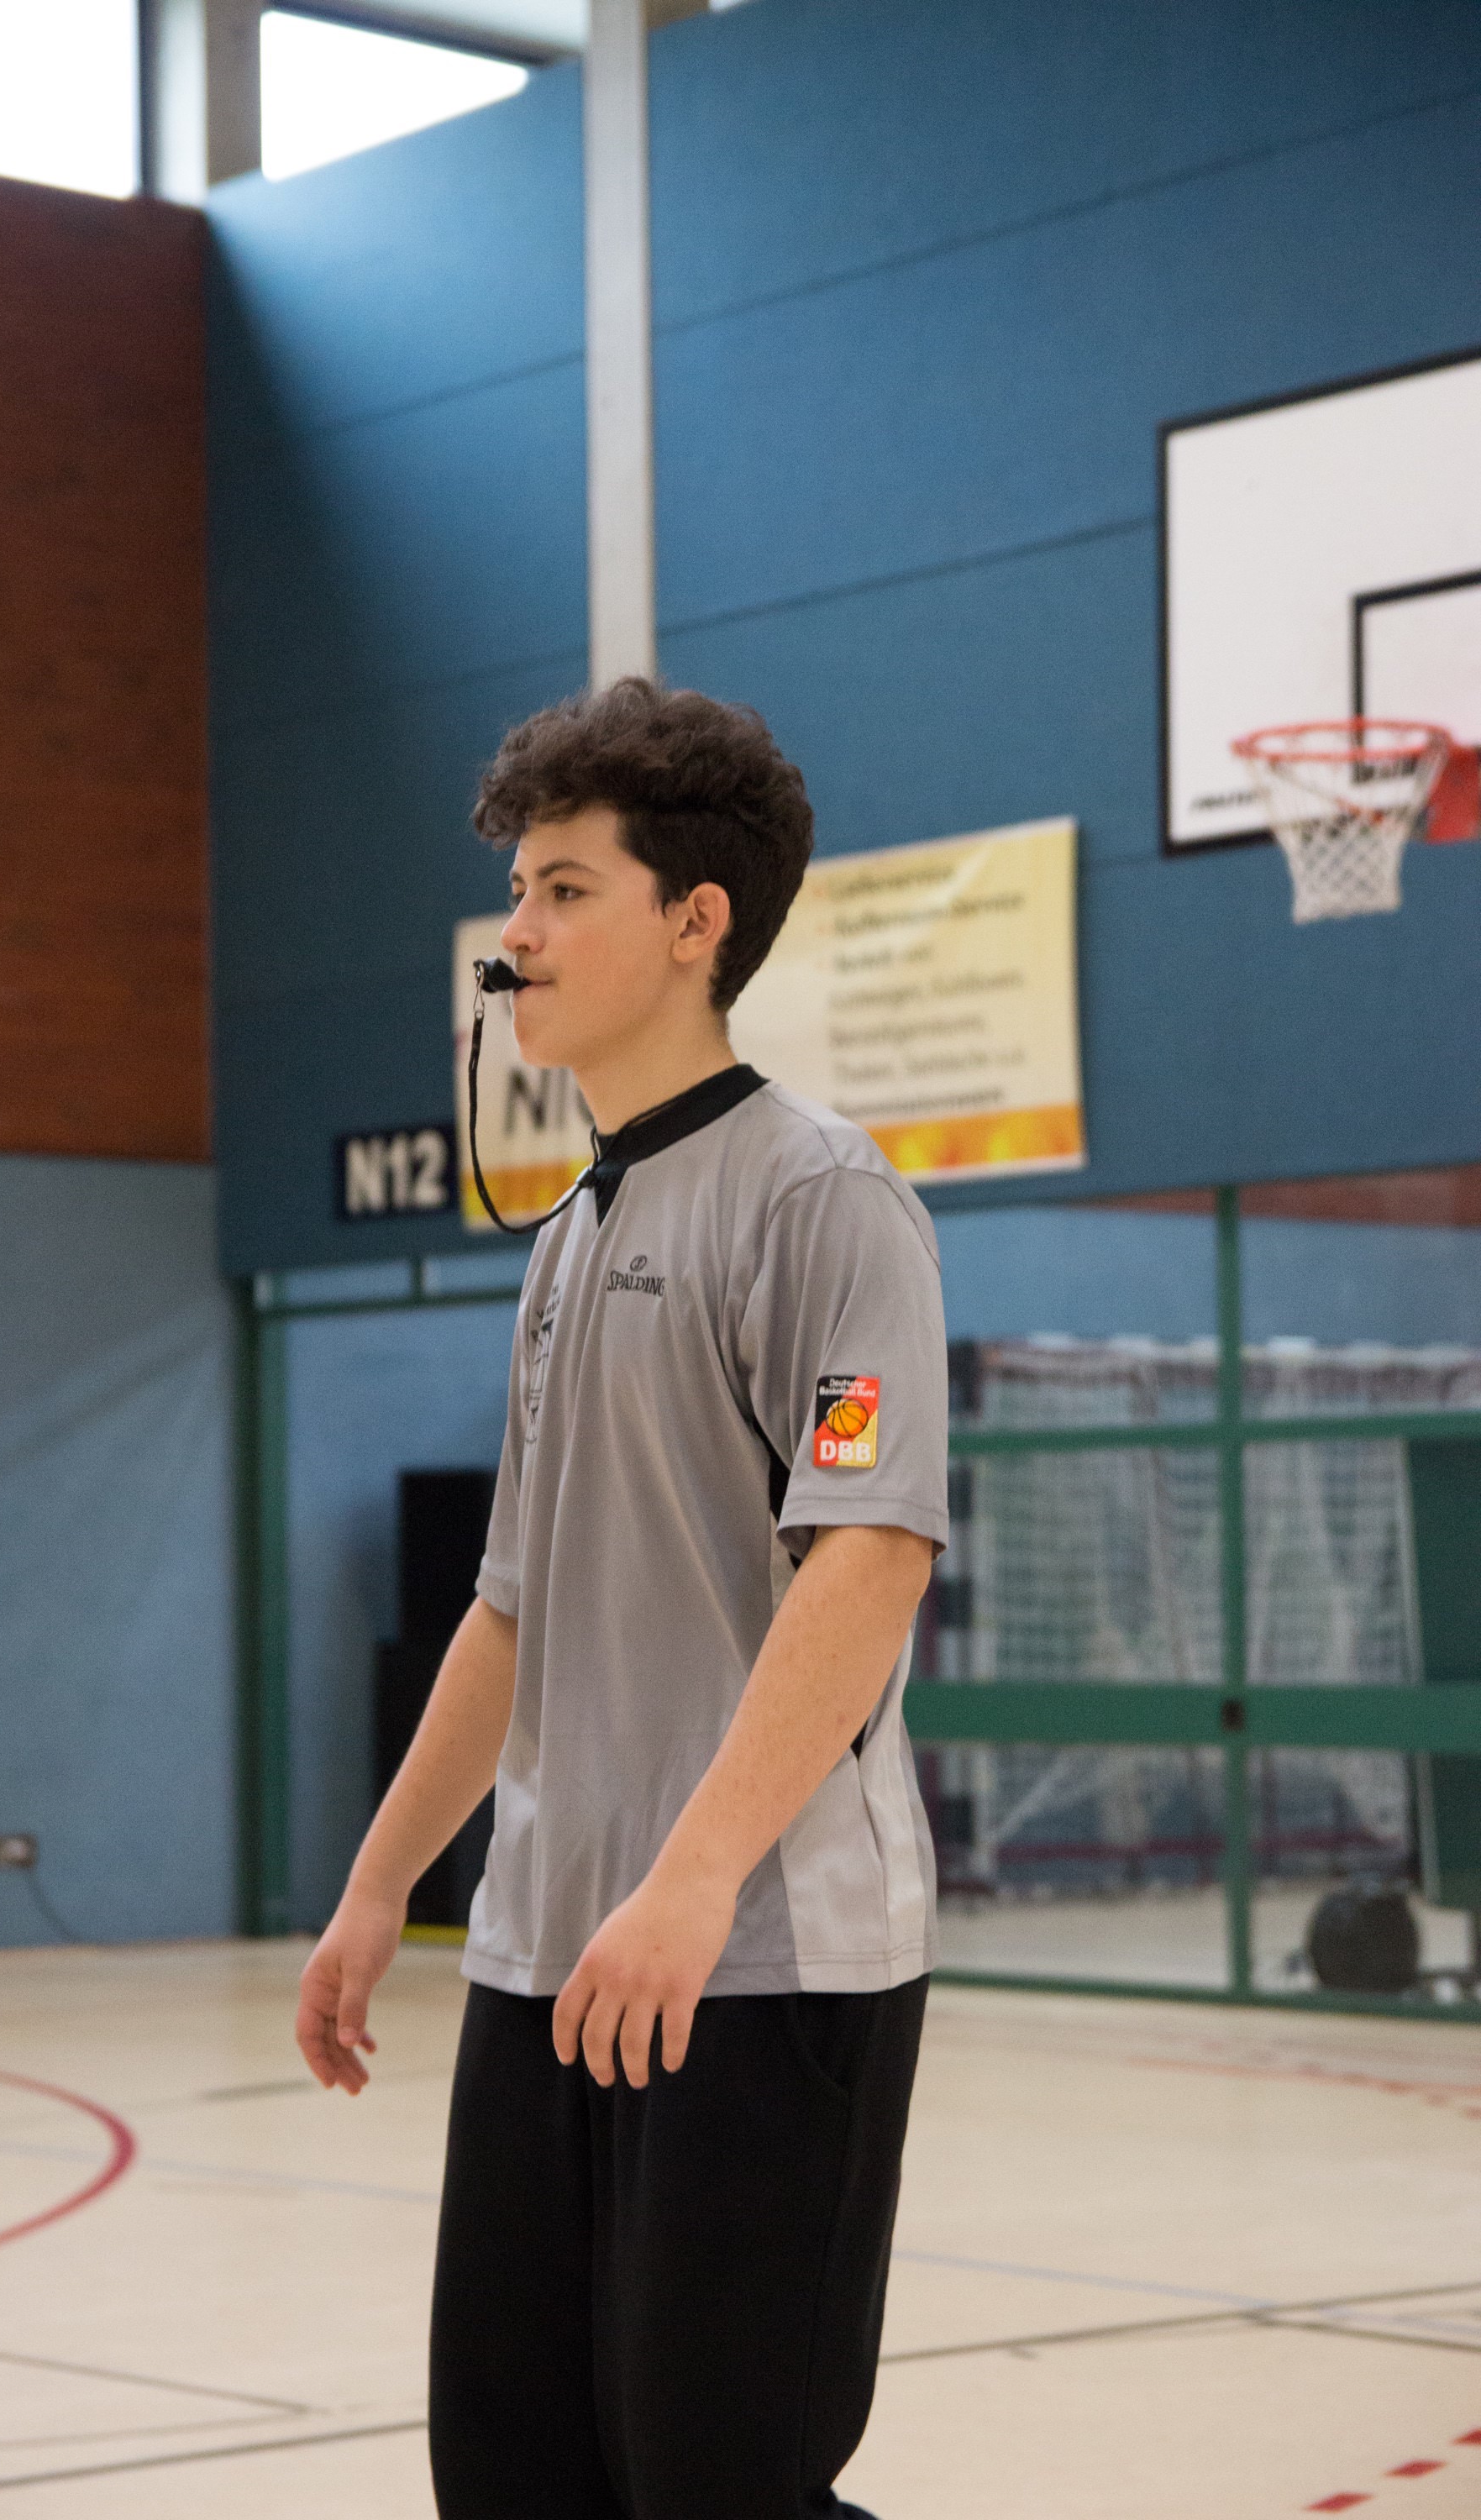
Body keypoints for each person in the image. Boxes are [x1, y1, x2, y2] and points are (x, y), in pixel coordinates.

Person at [296, 679, 948, 2520]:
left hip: (754, 1955)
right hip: (544, 1953)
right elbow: (510, 1611)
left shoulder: (822, 1199)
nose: (515, 933)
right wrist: (379, 1888)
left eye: (566, 890)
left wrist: (693, 1877)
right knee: (514, 2474)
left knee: (715, 2480)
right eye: (518, 892)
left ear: (694, 922)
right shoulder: (569, 1234)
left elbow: (869, 1560)